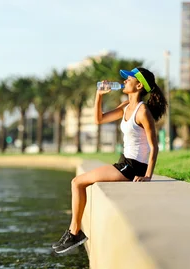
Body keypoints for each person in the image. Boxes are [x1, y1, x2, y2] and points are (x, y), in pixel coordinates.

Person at [52, 67, 168, 254]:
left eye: (128, 79)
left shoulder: (142, 111)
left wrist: (147, 176)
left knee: (77, 182)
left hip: (132, 167)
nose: (123, 82)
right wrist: (99, 96)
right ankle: (74, 232)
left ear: (138, 85)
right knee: (78, 183)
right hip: (124, 163)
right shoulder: (125, 106)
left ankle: (74, 233)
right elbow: (99, 120)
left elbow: (154, 146)